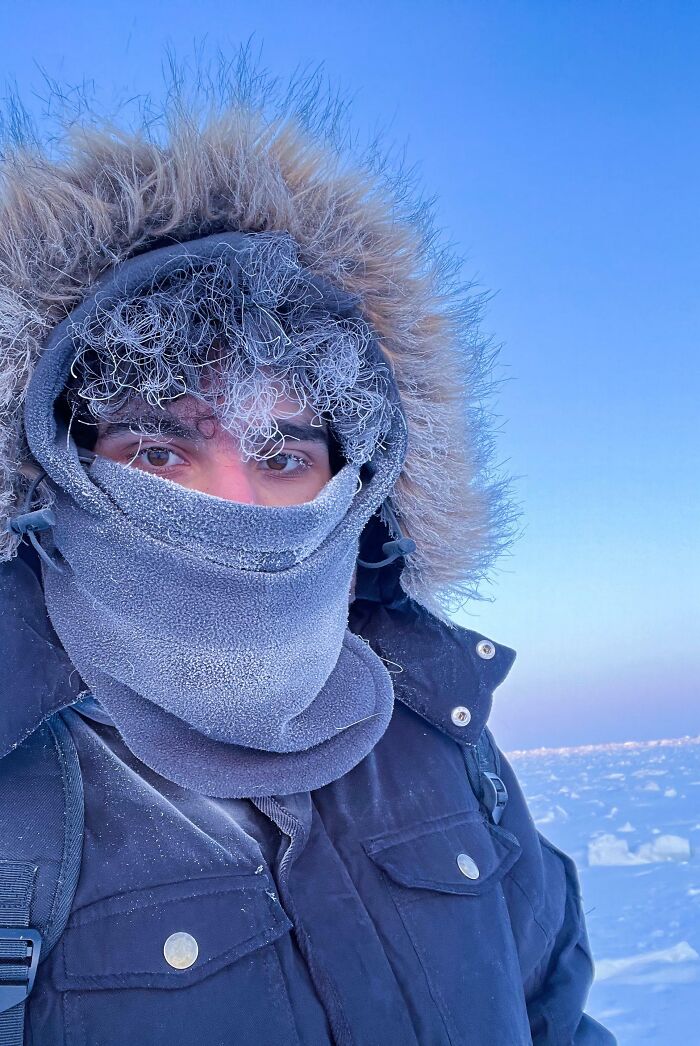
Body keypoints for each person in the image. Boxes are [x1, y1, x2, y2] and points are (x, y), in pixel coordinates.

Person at [0, 71, 616, 1045]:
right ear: (57, 471)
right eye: (159, 450)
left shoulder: (443, 739)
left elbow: (552, 1015)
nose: (233, 510)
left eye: (283, 456)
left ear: (357, 480)